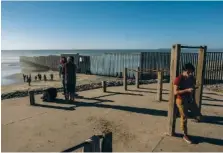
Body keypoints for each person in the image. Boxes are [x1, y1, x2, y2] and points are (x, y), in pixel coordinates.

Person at [174, 63, 202, 144]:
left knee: (197, 113)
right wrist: (187, 90)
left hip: (190, 99)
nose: (190, 74)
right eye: (189, 72)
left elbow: (192, 85)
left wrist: (194, 87)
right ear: (186, 70)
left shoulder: (191, 77)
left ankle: (182, 114)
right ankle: (185, 135)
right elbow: (175, 92)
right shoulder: (179, 78)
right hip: (181, 100)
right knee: (184, 118)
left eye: (191, 72)